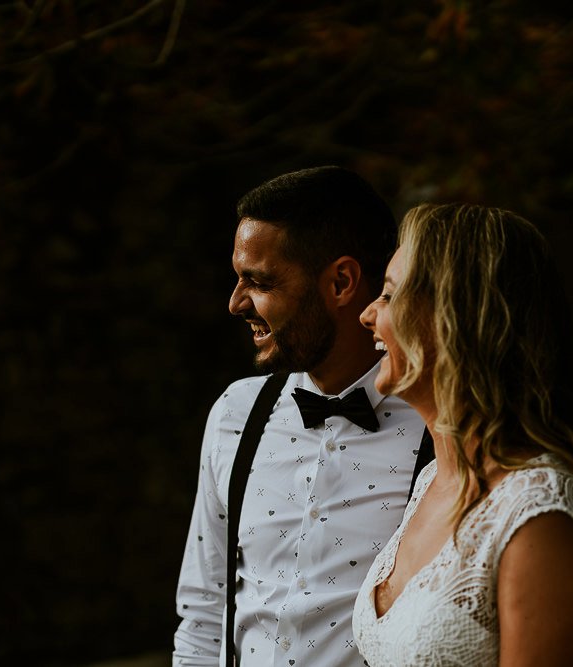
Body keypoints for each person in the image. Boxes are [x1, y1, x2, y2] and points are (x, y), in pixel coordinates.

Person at [353, 203, 573, 666]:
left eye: (388, 295)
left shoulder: (539, 514)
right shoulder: (431, 481)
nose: (368, 314)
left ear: (453, 316)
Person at [173, 166, 429, 666]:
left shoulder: (435, 427)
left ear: (341, 282)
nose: (235, 303)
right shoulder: (235, 414)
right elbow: (203, 611)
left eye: (259, 281)